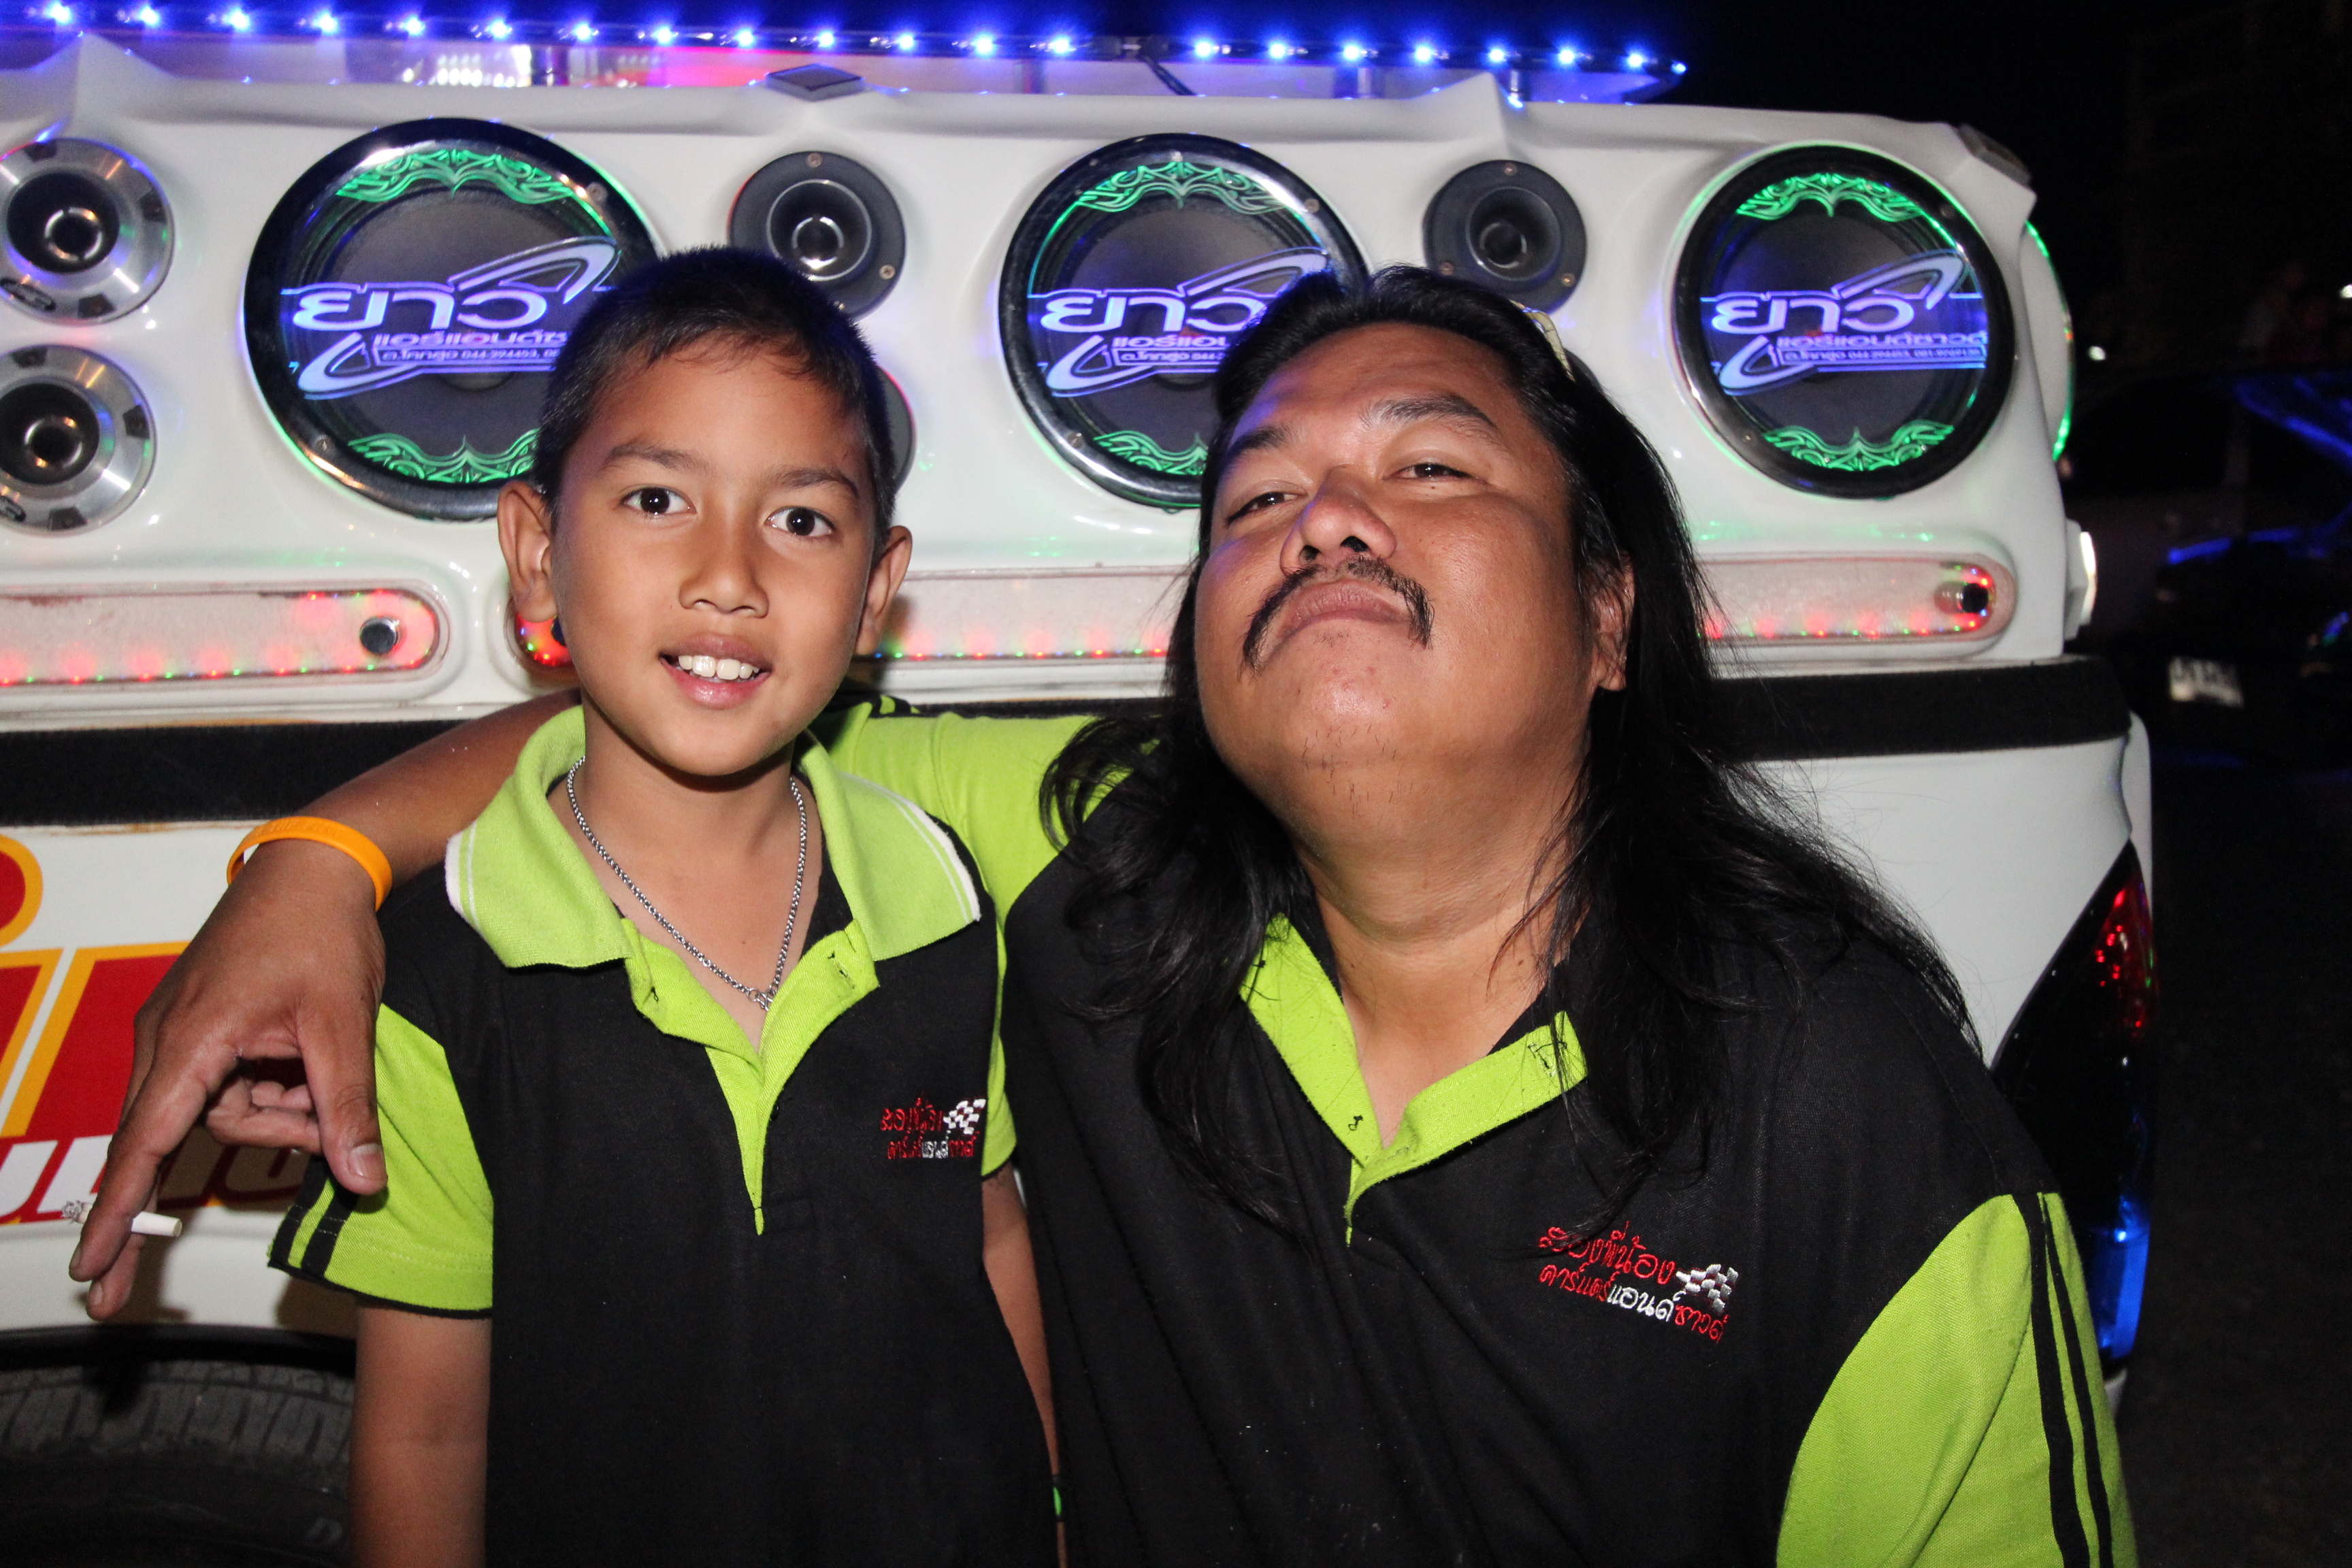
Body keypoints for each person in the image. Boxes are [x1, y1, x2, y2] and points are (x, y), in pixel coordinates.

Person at [78, 267, 2132, 1565]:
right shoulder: (1080, 876)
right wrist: (317, 865)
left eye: (1431, 469)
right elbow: (680, 724)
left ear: (1610, 617)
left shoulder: (1847, 1109)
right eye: (1258, 498)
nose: (1328, 517)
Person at [245, 248, 1055, 1565]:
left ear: (876, 590)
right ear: (538, 553)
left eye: (803, 521)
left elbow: (988, 1230)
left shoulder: (942, 896)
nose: (729, 575)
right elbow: (427, 1434)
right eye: (659, 498)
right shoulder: (436, 976)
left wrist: (1055, 1515)